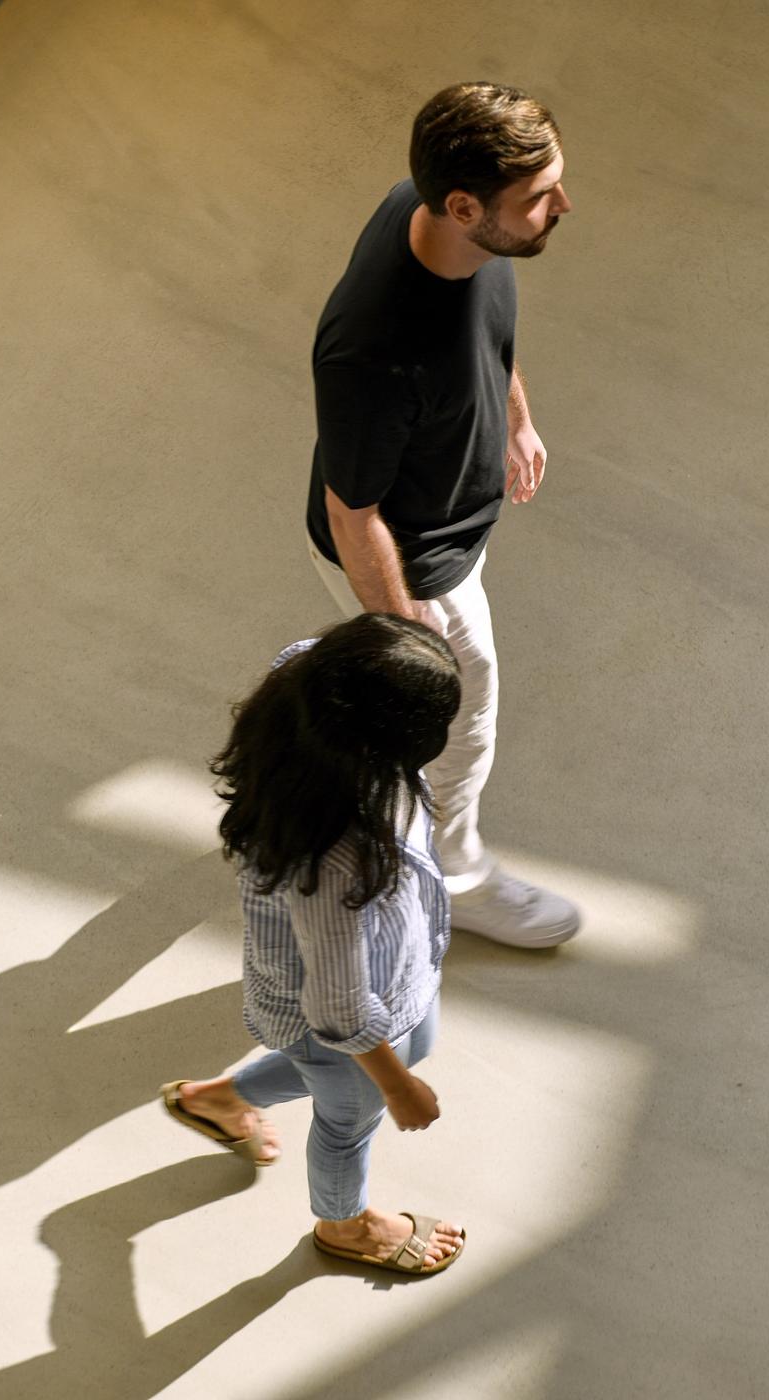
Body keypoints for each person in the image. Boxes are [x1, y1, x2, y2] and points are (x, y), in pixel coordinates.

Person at [303, 80, 579, 948]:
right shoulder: (369, 351)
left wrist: (517, 415)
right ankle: (456, 877)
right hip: (416, 559)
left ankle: (325, 779)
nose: (562, 206)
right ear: (463, 205)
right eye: (540, 198)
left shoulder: (452, 230)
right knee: (464, 721)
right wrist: (411, 635)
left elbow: (490, 334)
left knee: (393, 713)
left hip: (453, 514)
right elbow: (353, 514)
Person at [161, 614, 466, 1276]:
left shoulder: (305, 680)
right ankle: (344, 1225)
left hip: (382, 986)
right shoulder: (334, 857)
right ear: (377, 744)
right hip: (342, 1020)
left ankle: (219, 1099)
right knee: (347, 1122)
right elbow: (337, 1013)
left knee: (337, 1077)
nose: (439, 741)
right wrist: (400, 1087)